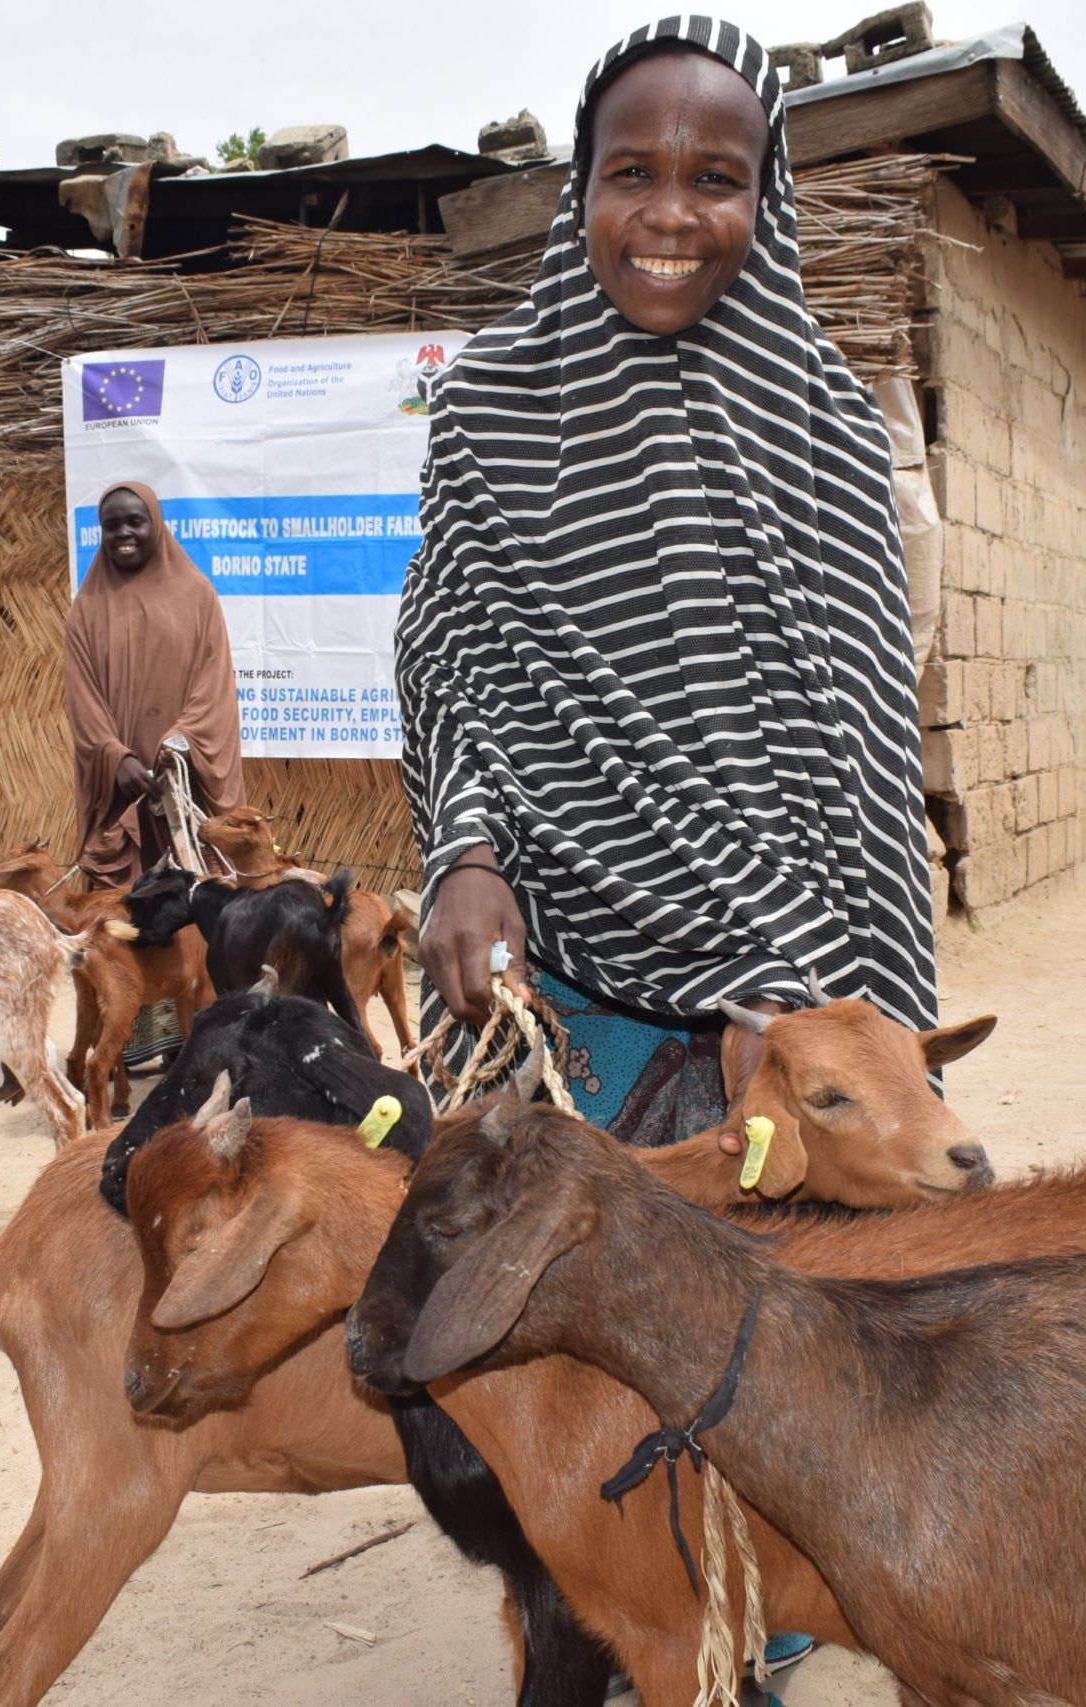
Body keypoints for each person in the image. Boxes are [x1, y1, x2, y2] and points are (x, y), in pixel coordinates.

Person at [401, 16, 940, 1161]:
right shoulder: (489, 409)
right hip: (549, 986)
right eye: (630, 172)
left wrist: (845, 1009)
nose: (668, 215)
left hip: (798, 997)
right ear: (578, 190)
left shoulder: (826, 427)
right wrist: (465, 854)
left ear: (766, 200)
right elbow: (444, 664)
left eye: (716, 179)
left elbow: (867, 757)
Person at [63, 481, 245, 888]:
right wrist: (115, 757)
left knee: (198, 906)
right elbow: (82, 699)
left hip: (184, 779)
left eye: (135, 521)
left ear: (156, 525)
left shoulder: (197, 596)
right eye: (111, 526)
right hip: (121, 784)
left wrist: (180, 743)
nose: (123, 533)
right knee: (121, 921)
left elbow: (213, 686)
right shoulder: (87, 609)